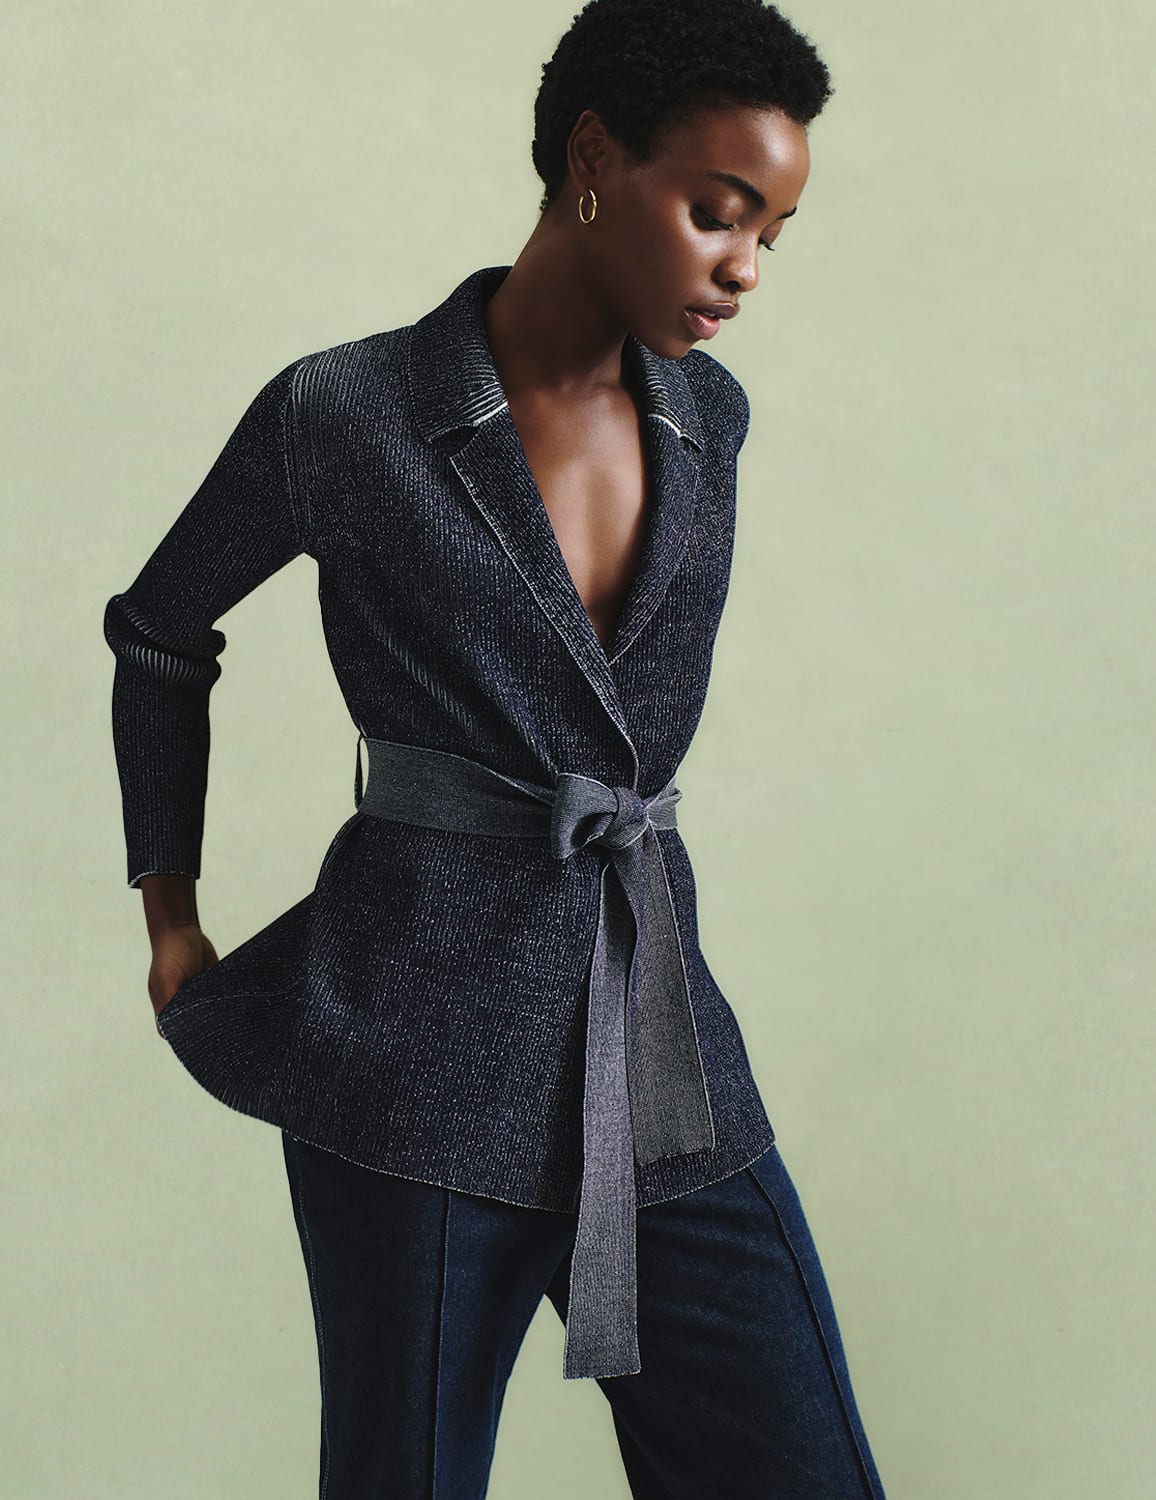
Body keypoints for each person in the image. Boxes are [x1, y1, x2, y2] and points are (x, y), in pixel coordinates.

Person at [103, 0, 888, 1494]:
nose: (744, 267)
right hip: (407, 1055)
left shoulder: (710, 418)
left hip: (654, 1040)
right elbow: (159, 631)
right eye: (720, 214)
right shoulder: (344, 413)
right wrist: (171, 913)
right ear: (595, 161)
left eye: (773, 235)